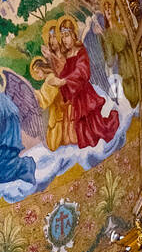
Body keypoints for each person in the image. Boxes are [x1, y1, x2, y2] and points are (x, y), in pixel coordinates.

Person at [56, 16, 120, 148]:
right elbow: (65, 73)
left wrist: (65, 81)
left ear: (74, 35)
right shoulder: (67, 56)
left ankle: (102, 134)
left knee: (94, 121)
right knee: (81, 122)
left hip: (85, 92)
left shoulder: (80, 51)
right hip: (77, 97)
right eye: (62, 37)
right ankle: (88, 142)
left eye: (66, 35)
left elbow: (82, 70)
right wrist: (58, 80)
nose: (64, 39)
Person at [28, 55, 68, 152]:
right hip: (53, 109)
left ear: (43, 68)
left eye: (38, 72)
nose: (38, 75)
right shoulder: (47, 81)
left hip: (59, 108)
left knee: (53, 144)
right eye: (36, 73)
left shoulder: (51, 79)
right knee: (51, 142)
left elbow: (63, 82)